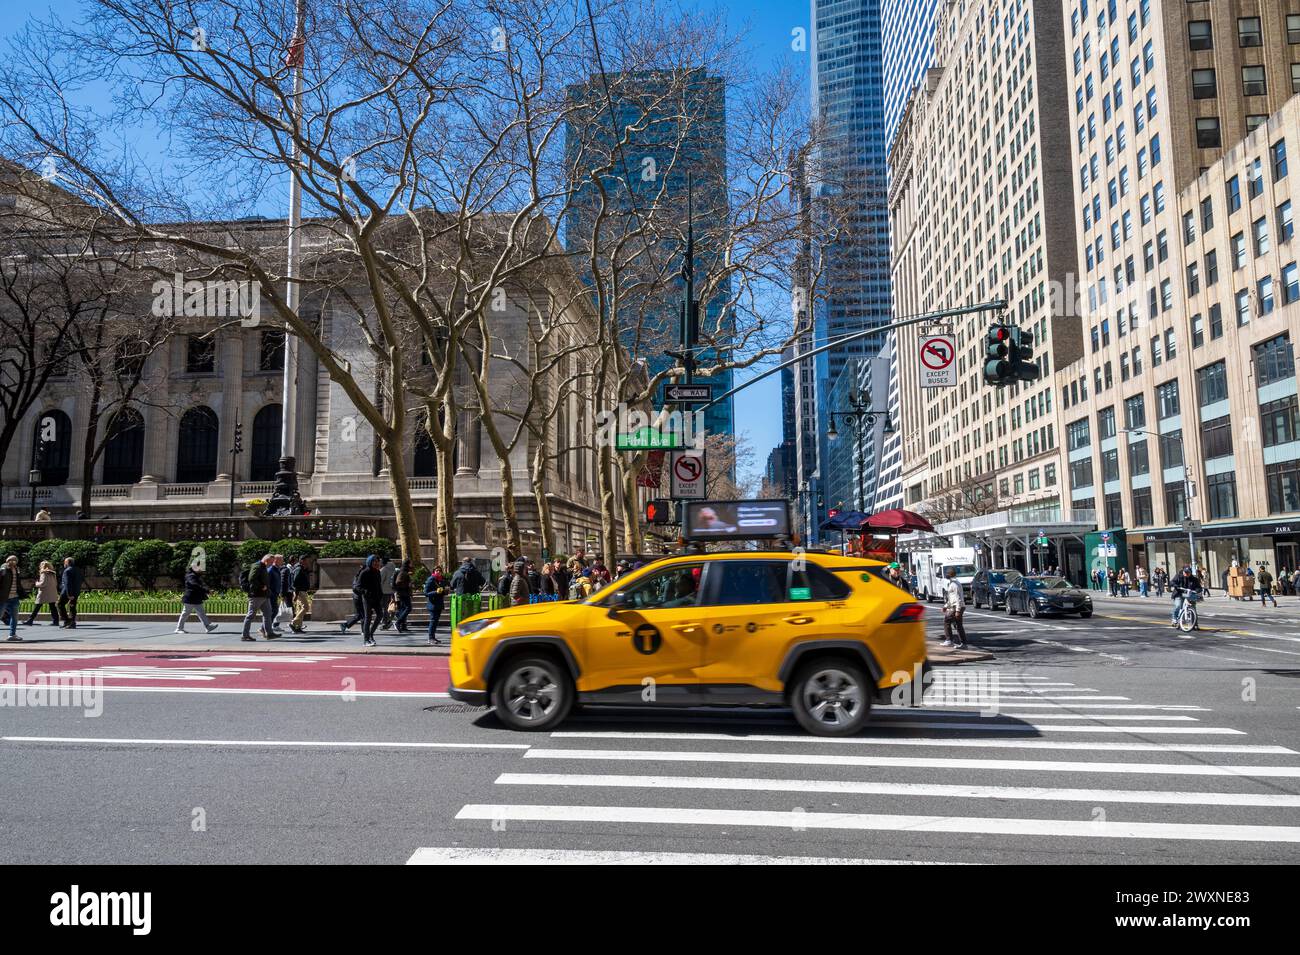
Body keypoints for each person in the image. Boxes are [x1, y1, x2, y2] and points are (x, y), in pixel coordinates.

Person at [340, 555, 384, 646]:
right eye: (374, 561)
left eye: (377, 561)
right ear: (370, 562)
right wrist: (365, 592)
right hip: (367, 599)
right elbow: (357, 587)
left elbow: (379, 586)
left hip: (376, 598)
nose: (376, 563)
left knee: (380, 615)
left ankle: (370, 634)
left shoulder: (377, 572)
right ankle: (366, 640)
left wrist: (380, 595)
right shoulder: (365, 572)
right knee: (367, 619)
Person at [241, 554, 277, 642]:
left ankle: (269, 633)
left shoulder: (263, 566)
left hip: (264, 595)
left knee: (268, 613)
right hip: (256, 595)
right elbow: (251, 579)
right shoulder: (257, 566)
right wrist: (261, 586)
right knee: (251, 615)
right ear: (266, 560)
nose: (272, 564)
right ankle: (245, 635)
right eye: (271, 562)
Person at [176, 563, 219, 634]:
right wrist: (207, 591)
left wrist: (207, 590)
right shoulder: (191, 576)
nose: (200, 569)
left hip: (195, 598)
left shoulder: (195, 576)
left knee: (201, 613)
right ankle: (179, 628)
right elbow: (195, 585)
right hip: (190, 598)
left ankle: (208, 627)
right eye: (198, 568)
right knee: (185, 613)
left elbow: (200, 585)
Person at [25, 560, 61, 627]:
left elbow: (43, 583)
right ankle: (56, 621)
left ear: (42, 566)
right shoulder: (53, 573)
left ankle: (30, 620)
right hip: (52, 592)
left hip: (44, 592)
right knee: (53, 607)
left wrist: (36, 584)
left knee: (37, 606)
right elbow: (56, 583)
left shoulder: (43, 573)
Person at [939, 567, 968, 650]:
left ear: (951, 574)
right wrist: (945, 606)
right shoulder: (953, 583)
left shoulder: (954, 585)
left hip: (956, 607)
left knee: (946, 621)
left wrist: (958, 611)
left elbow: (958, 598)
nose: (946, 575)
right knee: (958, 625)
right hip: (957, 606)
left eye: (947, 573)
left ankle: (949, 640)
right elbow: (951, 598)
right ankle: (964, 643)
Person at [1, 555, 27, 642]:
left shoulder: (16, 569)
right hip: (4, 597)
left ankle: (12, 634)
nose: (13, 562)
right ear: (7, 561)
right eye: (11, 560)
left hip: (14, 597)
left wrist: (22, 593)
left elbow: (17, 583)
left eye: (15, 561)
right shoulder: (4, 569)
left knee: (14, 617)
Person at [1169, 564, 1203, 629]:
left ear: (1190, 572)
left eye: (1188, 573)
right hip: (1179, 593)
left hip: (1189, 594)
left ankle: (1195, 624)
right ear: (1183, 571)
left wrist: (1196, 590)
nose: (1186, 574)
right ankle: (1174, 619)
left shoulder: (1194, 579)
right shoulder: (1178, 576)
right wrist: (1175, 585)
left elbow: (1199, 588)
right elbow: (1172, 582)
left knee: (1193, 608)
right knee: (1178, 605)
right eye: (1185, 572)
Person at [424, 564, 448, 645]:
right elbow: (425, 593)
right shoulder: (431, 579)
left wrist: (445, 591)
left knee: (435, 622)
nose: (438, 572)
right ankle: (430, 638)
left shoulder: (442, 580)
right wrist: (436, 592)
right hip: (433, 604)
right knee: (433, 621)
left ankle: (433, 637)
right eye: (437, 570)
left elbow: (443, 591)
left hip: (439, 603)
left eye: (440, 571)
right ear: (434, 571)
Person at [290, 555, 314, 633]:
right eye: (307, 560)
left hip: (301, 591)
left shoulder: (302, 569)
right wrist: (296, 594)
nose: (308, 562)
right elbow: (295, 582)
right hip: (299, 591)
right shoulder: (299, 569)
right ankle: (293, 623)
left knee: (300, 609)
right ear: (302, 561)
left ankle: (298, 627)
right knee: (306, 607)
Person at [58, 556, 82, 629]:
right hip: (76, 591)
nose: (64, 564)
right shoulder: (78, 570)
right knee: (72, 606)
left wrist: (69, 594)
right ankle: (71, 622)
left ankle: (67, 620)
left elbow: (67, 583)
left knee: (60, 604)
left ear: (67, 563)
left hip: (67, 592)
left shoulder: (67, 571)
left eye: (65, 562)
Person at [393, 559, 414, 632]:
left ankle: (403, 626)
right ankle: (398, 622)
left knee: (403, 609)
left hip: (403, 592)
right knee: (408, 608)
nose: (412, 565)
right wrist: (407, 585)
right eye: (411, 563)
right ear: (408, 564)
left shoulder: (405, 571)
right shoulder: (403, 572)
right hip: (403, 593)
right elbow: (398, 582)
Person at [379, 556, 398, 629]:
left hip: (383, 591)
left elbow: (380, 581)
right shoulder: (394, 568)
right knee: (386, 607)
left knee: (383, 608)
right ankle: (387, 621)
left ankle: (385, 622)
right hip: (390, 591)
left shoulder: (384, 569)